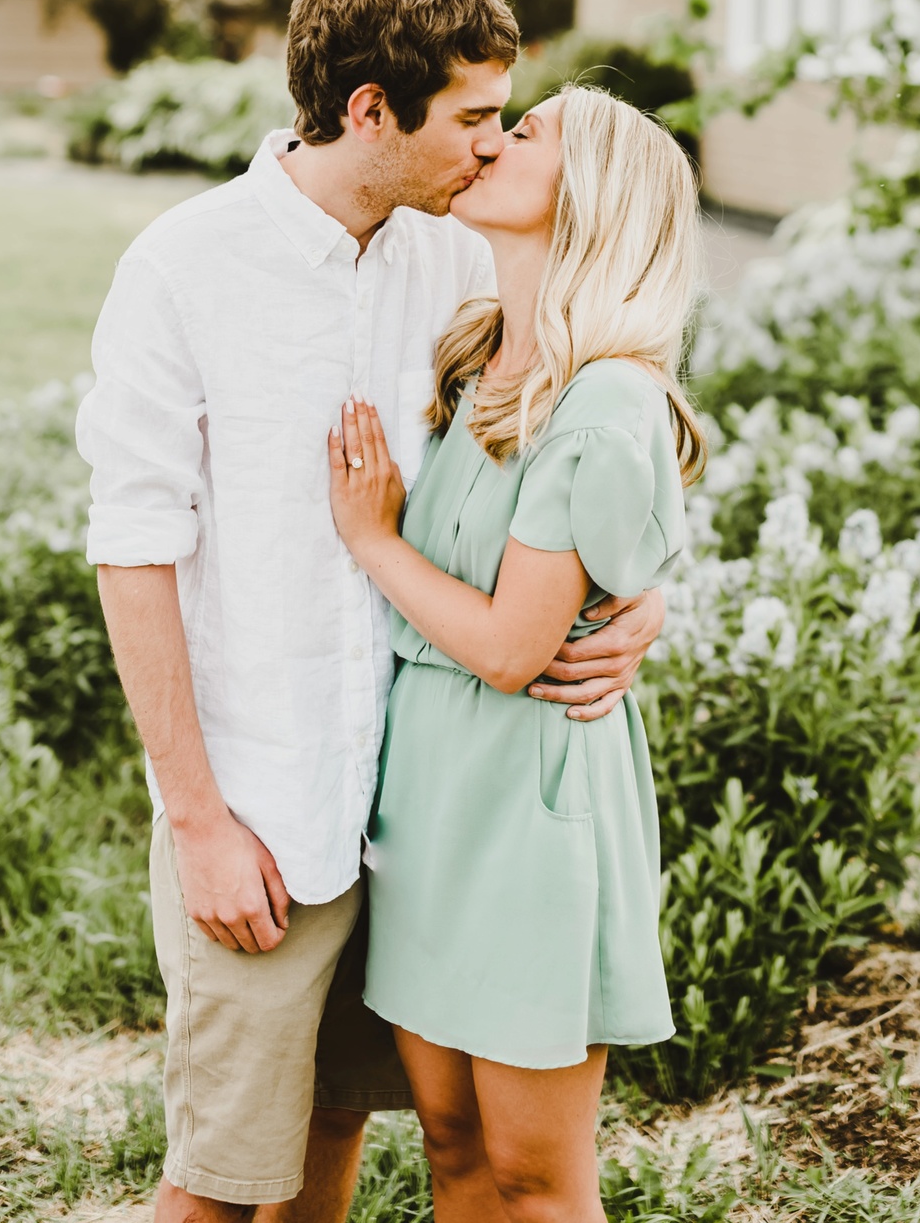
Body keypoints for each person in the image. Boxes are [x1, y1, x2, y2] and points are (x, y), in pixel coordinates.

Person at [74, 0, 666, 1223]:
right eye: (476, 115)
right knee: (220, 1183)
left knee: (328, 1134)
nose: (495, 145)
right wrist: (200, 823)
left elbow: (598, 428)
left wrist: (647, 599)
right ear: (369, 107)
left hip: (419, 827)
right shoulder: (185, 267)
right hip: (267, 822)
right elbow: (134, 553)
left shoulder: (458, 256)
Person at [329, 86, 697, 1223]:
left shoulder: (605, 402)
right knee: (452, 1149)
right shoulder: (478, 350)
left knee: (537, 1179)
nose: (491, 140)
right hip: (431, 796)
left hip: (528, 804)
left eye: (523, 130)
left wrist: (370, 537)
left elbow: (506, 646)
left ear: (587, 191)